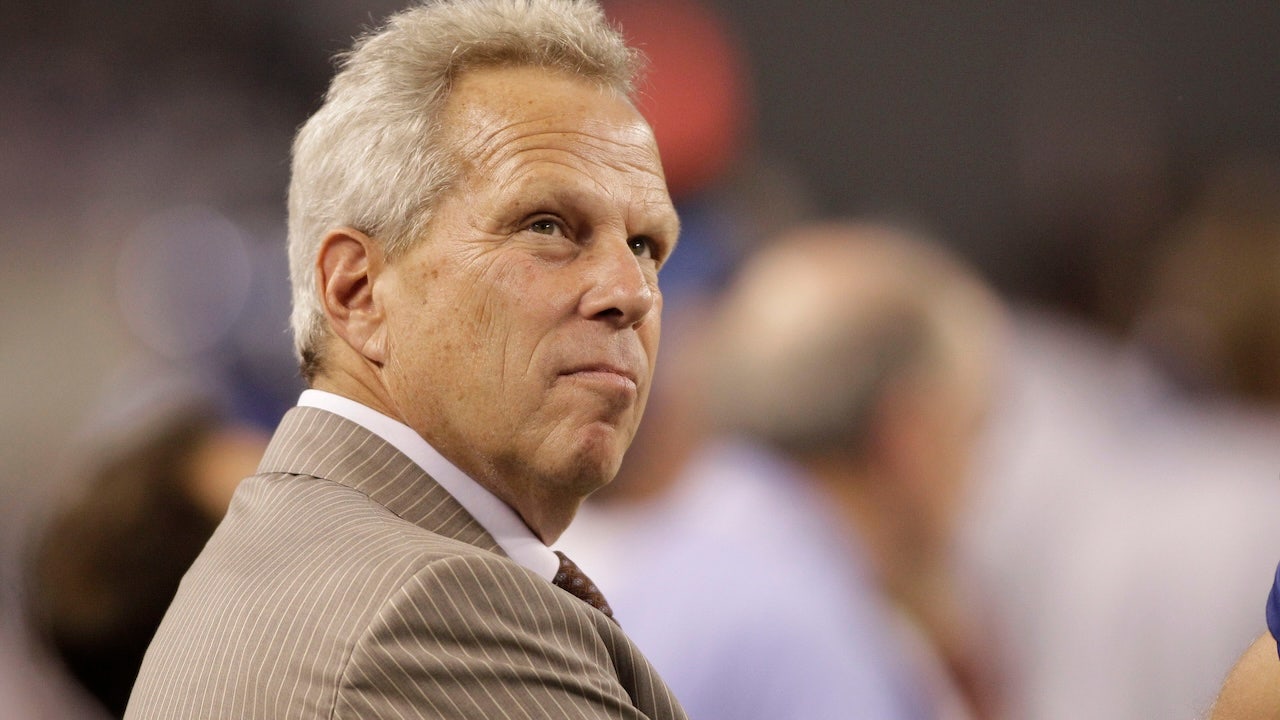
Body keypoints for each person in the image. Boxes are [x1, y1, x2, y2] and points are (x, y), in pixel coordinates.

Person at [124, 1, 684, 718]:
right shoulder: (431, 606)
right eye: (547, 226)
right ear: (356, 291)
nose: (631, 292)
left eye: (645, 245)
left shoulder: (307, 551)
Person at [558, 221, 1005, 719]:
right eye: (970, 428)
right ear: (910, 435)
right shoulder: (813, 634)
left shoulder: (657, 572)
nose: (978, 474)